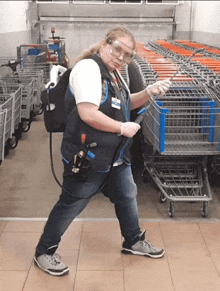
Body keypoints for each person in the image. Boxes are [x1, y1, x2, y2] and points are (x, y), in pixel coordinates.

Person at [34, 26, 171, 276]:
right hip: (89, 157)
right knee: (71, 203)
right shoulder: (88, 69)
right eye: (118, 48)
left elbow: (126, 103)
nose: (121, 56)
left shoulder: (116, 73)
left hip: (115, 157)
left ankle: (132, 242)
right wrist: (121, 127)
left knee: (127, 196)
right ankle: (44, 251)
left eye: (127, 54)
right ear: (105, 44)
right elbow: (88, 113)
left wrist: (149, 92)